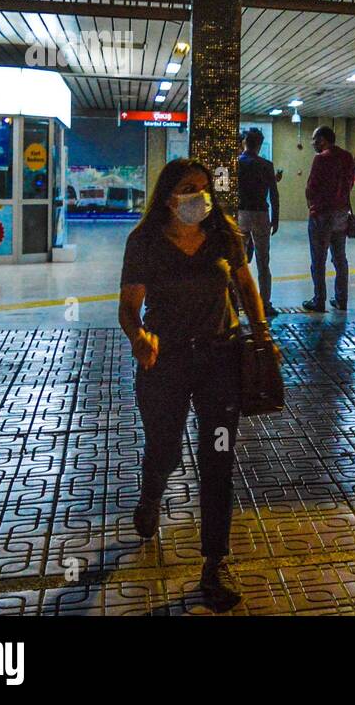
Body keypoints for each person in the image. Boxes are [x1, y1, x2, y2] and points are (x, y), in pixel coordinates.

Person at [118, 158, 277, 613]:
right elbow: (128, 307)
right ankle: (151, 496)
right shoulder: (144, 241)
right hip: (164, 361)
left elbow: (246, 286)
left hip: (218, 360)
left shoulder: (225, 234)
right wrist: (139, 337)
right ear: (168, 195)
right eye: (189, 188)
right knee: (164, 449)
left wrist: (262, 333)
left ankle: (214, 563)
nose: (200, 197)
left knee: (218, 460)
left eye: (205, 188)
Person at [303, 125, 354, 312]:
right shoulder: (347, 157)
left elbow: (311, 187)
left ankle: (319, 299)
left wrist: (311, 204)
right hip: (341, 213)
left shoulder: (321, 159)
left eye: (314, 140)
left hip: (322, 214)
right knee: (340, 258)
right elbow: (350, 183)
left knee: (318, 259)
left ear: (323, 140)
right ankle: (341, 299)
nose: (313, 143)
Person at [236, 128, 280, 317]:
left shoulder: (236, 163)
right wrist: (276, 217)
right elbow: (274, 193)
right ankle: (265, 303)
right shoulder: (266, 165)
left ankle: (237, 302)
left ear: (244, 142)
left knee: (238, 261)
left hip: (241, 214)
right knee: (263, 261)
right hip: (261, 214)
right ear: (260, 145)